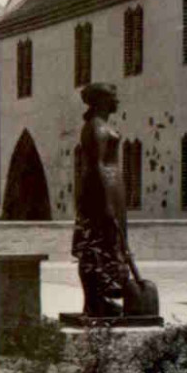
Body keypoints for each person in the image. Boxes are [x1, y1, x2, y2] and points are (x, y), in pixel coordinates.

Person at [72, 82, 135, 316]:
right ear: (100, 101)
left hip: (111, 187)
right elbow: (96, 164)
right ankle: (95, 301)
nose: (117, 100)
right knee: (96, 244)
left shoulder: (101, 125)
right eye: (112, 96)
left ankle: (102, 297)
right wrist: (106, 202)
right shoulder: (95, 127)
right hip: (101, 190)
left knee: (110, 242)